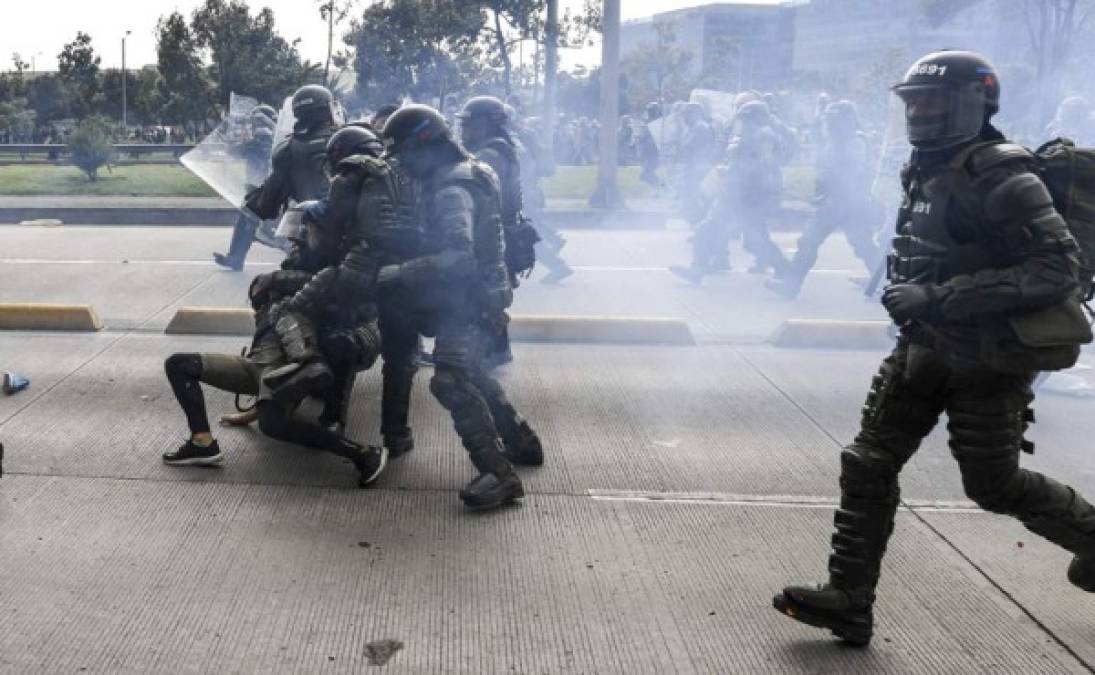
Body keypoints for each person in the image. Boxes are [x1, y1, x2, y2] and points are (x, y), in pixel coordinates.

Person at [773, 50, 1095, 647]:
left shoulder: (1005, 176)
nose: (920, 112)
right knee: (868, 461)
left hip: (989, 360)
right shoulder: (925, 166)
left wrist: (938, 294)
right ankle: (849, 600)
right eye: (912, 102)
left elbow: (1057, 268)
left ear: (976, 103)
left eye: (934, 101)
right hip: (924, 348)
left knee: (992, 485)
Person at [378, 104, 543, 510]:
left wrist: (400, 271)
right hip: (482, 292)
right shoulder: (471, 169)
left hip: (469, 297)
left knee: (449, 381)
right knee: (467, 370)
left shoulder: (452, 188)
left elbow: (459, 256)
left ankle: (500, 476)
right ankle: (521, 440)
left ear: (424, 145)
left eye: (405, 156)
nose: (404, 166)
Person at [455, 96, 541, 369]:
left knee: (483, 290)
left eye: (469, 123)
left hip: (492, 228)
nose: (464, 129)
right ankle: (496, 348)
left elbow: (470, 181)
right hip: (500, 225)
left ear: (486, 124)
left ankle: (493, 350)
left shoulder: (489, 154)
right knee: (488, 290)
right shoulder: (502, 146)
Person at [766, 100, 883, 298]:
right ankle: (791, 285)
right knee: (809, 241)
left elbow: (851, 173)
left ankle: (887, 283)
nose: (829, 126)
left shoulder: (856, 142)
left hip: (851, 204)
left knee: (863, 245)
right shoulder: (834, 142)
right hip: (834, 203)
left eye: (834, 121)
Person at [670, 100, 789, 282]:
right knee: (706, 229)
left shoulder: (764, 136)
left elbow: (763, 165)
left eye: (748, 119)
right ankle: (697, 269)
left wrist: (737, 172)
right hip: (734, 193)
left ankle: (784, 269)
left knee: (754, 239)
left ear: (759, 119)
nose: (744, 123)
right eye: (743, 119)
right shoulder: (745, 136)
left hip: (750, 196)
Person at [244, 85, 341, 230]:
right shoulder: (347, 139)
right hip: (348, 228)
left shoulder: (287, 149)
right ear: (327, 109)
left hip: (310, 230)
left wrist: (254, 199)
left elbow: (267, 205)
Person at [213, 104, 279, 271]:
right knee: (245, 222)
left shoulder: (264, 139)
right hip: (255, 187)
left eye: (257, 121)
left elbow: (236, 150)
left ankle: (236, 258)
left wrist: (233, 142)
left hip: (263, 188)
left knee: (251, 224)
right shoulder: (266, 138)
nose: (255, 125)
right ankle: (235, 257)